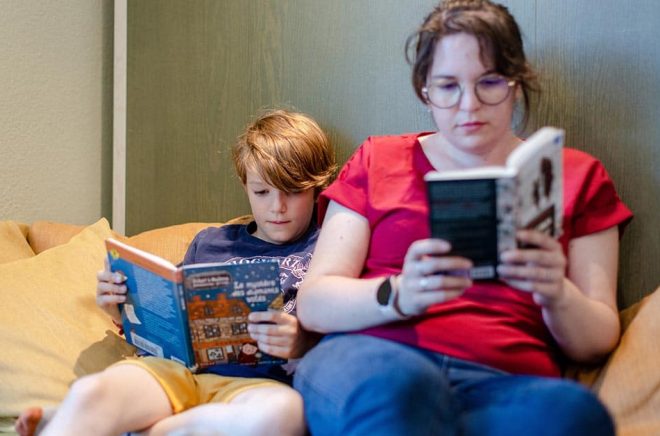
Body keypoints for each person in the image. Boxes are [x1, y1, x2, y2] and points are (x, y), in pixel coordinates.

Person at [293, 1, 633, 435]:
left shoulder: (576, 174)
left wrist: (556, 293)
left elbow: (598, 340)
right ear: (425, 90)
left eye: (489, 82)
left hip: (504, 381)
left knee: (573, 413)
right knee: (399, 390)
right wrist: (400, 293)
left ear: (515, 82)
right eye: (448, 86)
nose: (469, 105)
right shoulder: (379, 158)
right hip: (375, 358)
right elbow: (315, 303)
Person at [16, 109, 336, 436]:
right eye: (262, 192)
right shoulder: (212, 243)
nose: (277, 207)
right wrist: (121, 305)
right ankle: (89, 416)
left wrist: (303, 342)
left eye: (293, 191)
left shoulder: (328, 246)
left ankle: (134, 428)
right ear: (244, 186)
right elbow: (169, 312)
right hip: (174, 374)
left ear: (317, 187)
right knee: (90, 393)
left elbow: (346, 330)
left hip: (257, 387)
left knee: (285, 416)